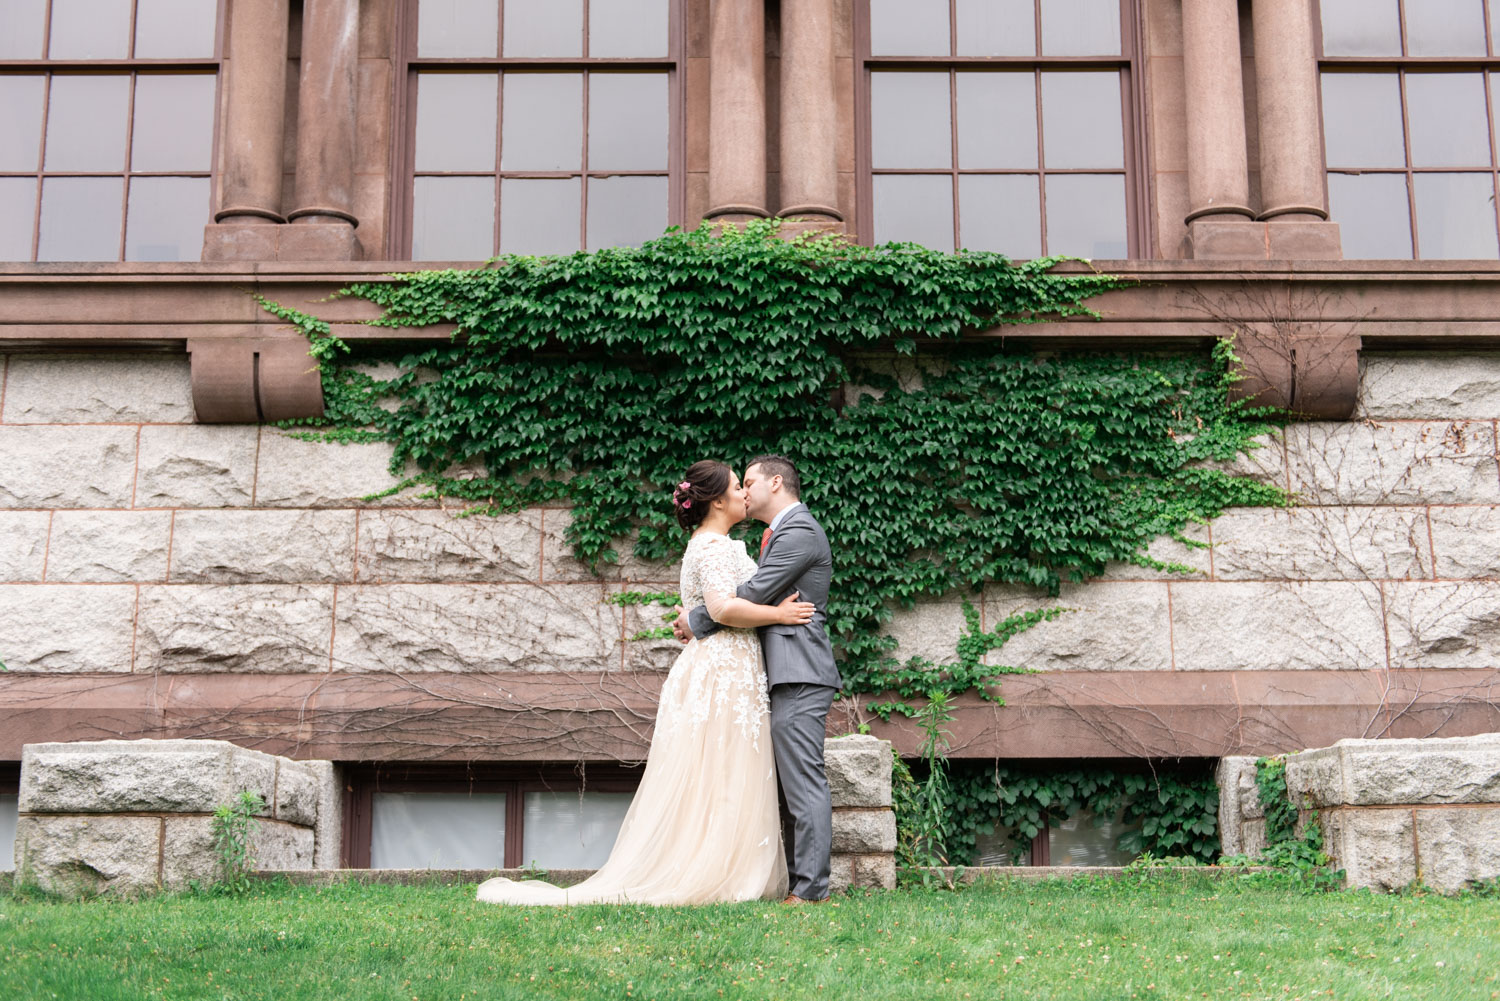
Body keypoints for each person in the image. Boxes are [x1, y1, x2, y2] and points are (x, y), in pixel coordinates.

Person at [476, 460, 814, 906]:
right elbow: (723, 608)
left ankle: (732, 869)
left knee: (731, 771)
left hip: (736, 666)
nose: (744, 494)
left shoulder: (724, 544)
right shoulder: (712, 547)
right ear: (717, 500)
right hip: (721, 670)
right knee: (716, 772)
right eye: (738, 487)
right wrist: (779, 614)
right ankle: (709, 873)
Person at [673, 455, 842, 904]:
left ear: (776, 481)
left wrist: (695, 619)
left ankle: (810, 893)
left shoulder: (800, 531)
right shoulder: (773, 536)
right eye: (738, 485)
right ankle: (794, 883)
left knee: (802, 782)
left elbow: (749, 595)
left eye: (748, 483)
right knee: (786, 785)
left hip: (800, 673)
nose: (744, 492)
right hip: (778, 673)